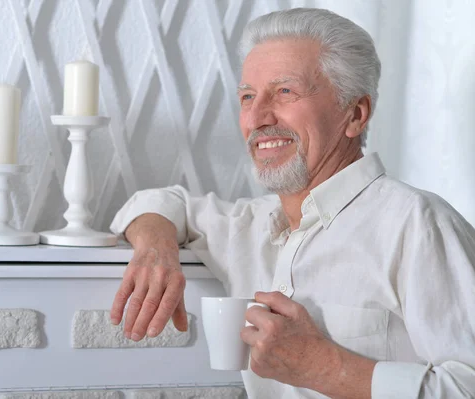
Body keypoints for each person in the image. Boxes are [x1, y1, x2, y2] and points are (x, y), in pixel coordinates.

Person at [109, 7, 475, 399]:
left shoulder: (419, 225)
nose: (258, 117)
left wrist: (323, 367)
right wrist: (157, 248)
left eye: (285, 92)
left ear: (355, 114)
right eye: (248, 96)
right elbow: (160, 203)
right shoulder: (247, 226)